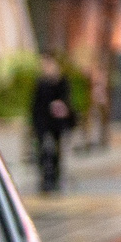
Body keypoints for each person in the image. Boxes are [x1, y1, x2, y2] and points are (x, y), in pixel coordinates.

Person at [30, 52, 77, 194]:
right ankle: (46, 178)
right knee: (43, 150)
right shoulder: (40, 82)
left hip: (57, 122)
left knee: (56, 150)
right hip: (42, 121)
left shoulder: (61, 81)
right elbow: (36, 105)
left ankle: (55, 176)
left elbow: (67, 101)